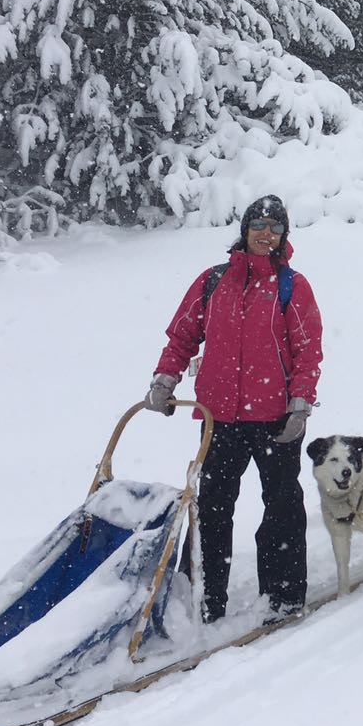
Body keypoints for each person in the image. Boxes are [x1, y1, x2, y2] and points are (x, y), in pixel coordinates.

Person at [144, 195, 323, 623]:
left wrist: (299, 407)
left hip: (275, 419)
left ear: (284, 238)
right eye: (259, 225)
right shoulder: (213, 281)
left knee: (281, 507)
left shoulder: (291, 286)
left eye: (275, 228)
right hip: (219, 417)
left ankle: (282, 598)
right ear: (244, 229)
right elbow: (183, 335)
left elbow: (307, 351)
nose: (266, 234)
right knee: (213, 509)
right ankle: (207, 600)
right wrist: (164, 380)